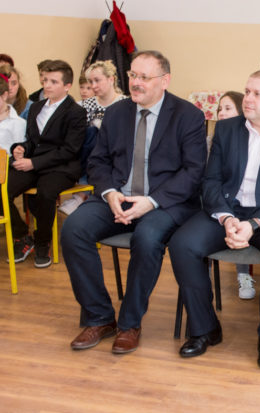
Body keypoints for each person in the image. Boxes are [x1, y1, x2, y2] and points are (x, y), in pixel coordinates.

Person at [61, 50, 207, 354]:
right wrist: (109, 193)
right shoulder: (116, 113)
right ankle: (99, 317)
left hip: (165, 202)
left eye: (144, 77)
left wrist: (151, 201)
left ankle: (129, 323)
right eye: (132, 75)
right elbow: (98, 162)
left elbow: (194, 172)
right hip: (118, 196)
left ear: (164, 80)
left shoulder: (188, 116)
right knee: (73, 229)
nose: (135, 82)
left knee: (147, 237)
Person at [168, 69, 260, 369]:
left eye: (257, 94)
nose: (248, 98)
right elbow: (211, 181)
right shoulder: (226, 129)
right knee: (182, 244)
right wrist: (226, 218)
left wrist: (253, 224)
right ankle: (205, 328)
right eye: (247, 91)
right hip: (230, 210)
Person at [7, 59, 86, 268]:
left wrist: (33, 163)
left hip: (61, 167)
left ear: (67, 86)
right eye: (45, 80)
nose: (47, 85)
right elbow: (33, 141)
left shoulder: (76, 112)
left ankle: (43, 242)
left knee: (46, 193)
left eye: (53, 81)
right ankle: (23, 236)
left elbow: (70, 150)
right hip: (34, 163)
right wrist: (21, 148)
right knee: (2, 189)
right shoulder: (36, 107)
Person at [59, 60, 127, 215]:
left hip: (117, 151)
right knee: (90, 135)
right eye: (90, 82)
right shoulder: (84, 105)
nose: (93, 86)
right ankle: (82, 195)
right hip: (90, 154)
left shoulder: (126, 104)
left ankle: (83, 196)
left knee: (96, 135)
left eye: (97, 80)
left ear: (111, 79)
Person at [215, 90, 258, 300]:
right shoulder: (212, 139)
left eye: (228, 108)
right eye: (219, 109)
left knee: (240, 222)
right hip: (219, 202)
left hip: (246, 206)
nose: (222, 113)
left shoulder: (249, 141)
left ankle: (244, 274)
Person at [0, 66, 26, 152]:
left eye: (14, 83)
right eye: (7, 83)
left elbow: (19, 151)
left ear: (4, 95)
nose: (10, 87)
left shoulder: (18, 123)